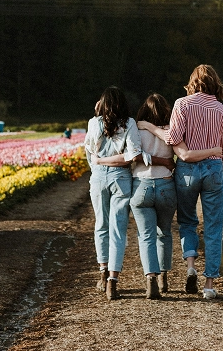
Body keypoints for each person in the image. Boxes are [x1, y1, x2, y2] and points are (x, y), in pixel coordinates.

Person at [140, 65, 223, 300]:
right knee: (213, 227)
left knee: (188, 220)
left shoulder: (182, 104)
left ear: (192, 82)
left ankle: (190, 266)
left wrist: (149, 127)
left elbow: (172, 138)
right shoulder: (222, 111)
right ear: (215, 83)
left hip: (187, 171)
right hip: (213, 169)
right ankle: (209, 284)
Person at [84, 86, 142, 301]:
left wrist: (99, 163)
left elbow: (91, 153)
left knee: (101, 225)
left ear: (102, 104)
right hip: (121, 178)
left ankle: (102, 271)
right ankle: (113, 282)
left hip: (98, 177)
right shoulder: (130, 123)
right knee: (118, 229)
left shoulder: (93, 123)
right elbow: (133, 155)